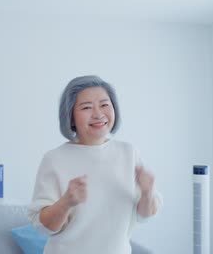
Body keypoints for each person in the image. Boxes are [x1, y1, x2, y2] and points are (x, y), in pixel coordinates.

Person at [28, 75, 161, 254]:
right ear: (71, 117)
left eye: (105, 105)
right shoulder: (55, 159)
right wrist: (67, 202)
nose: (98, 114)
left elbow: (144, 215)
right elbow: (43, 227)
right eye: (86, 107)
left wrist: (147, 192)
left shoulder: (129, 153)